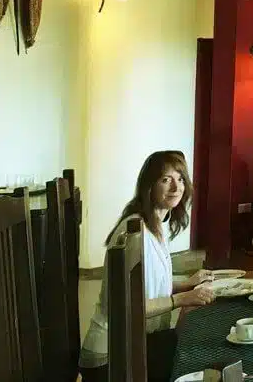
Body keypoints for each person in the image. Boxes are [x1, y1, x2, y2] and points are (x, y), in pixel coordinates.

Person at [79, 151, 215, 382]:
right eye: (166, 179)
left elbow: (143, 285)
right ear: (149, 186)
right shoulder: (135, 232)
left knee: (198, 338)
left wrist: (186, 284)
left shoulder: (153, 223)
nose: (176, 187)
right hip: (112, 358)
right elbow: (129, 305)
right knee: (199, 353)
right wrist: (183, 299)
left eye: (180, 179)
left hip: (132, 342)